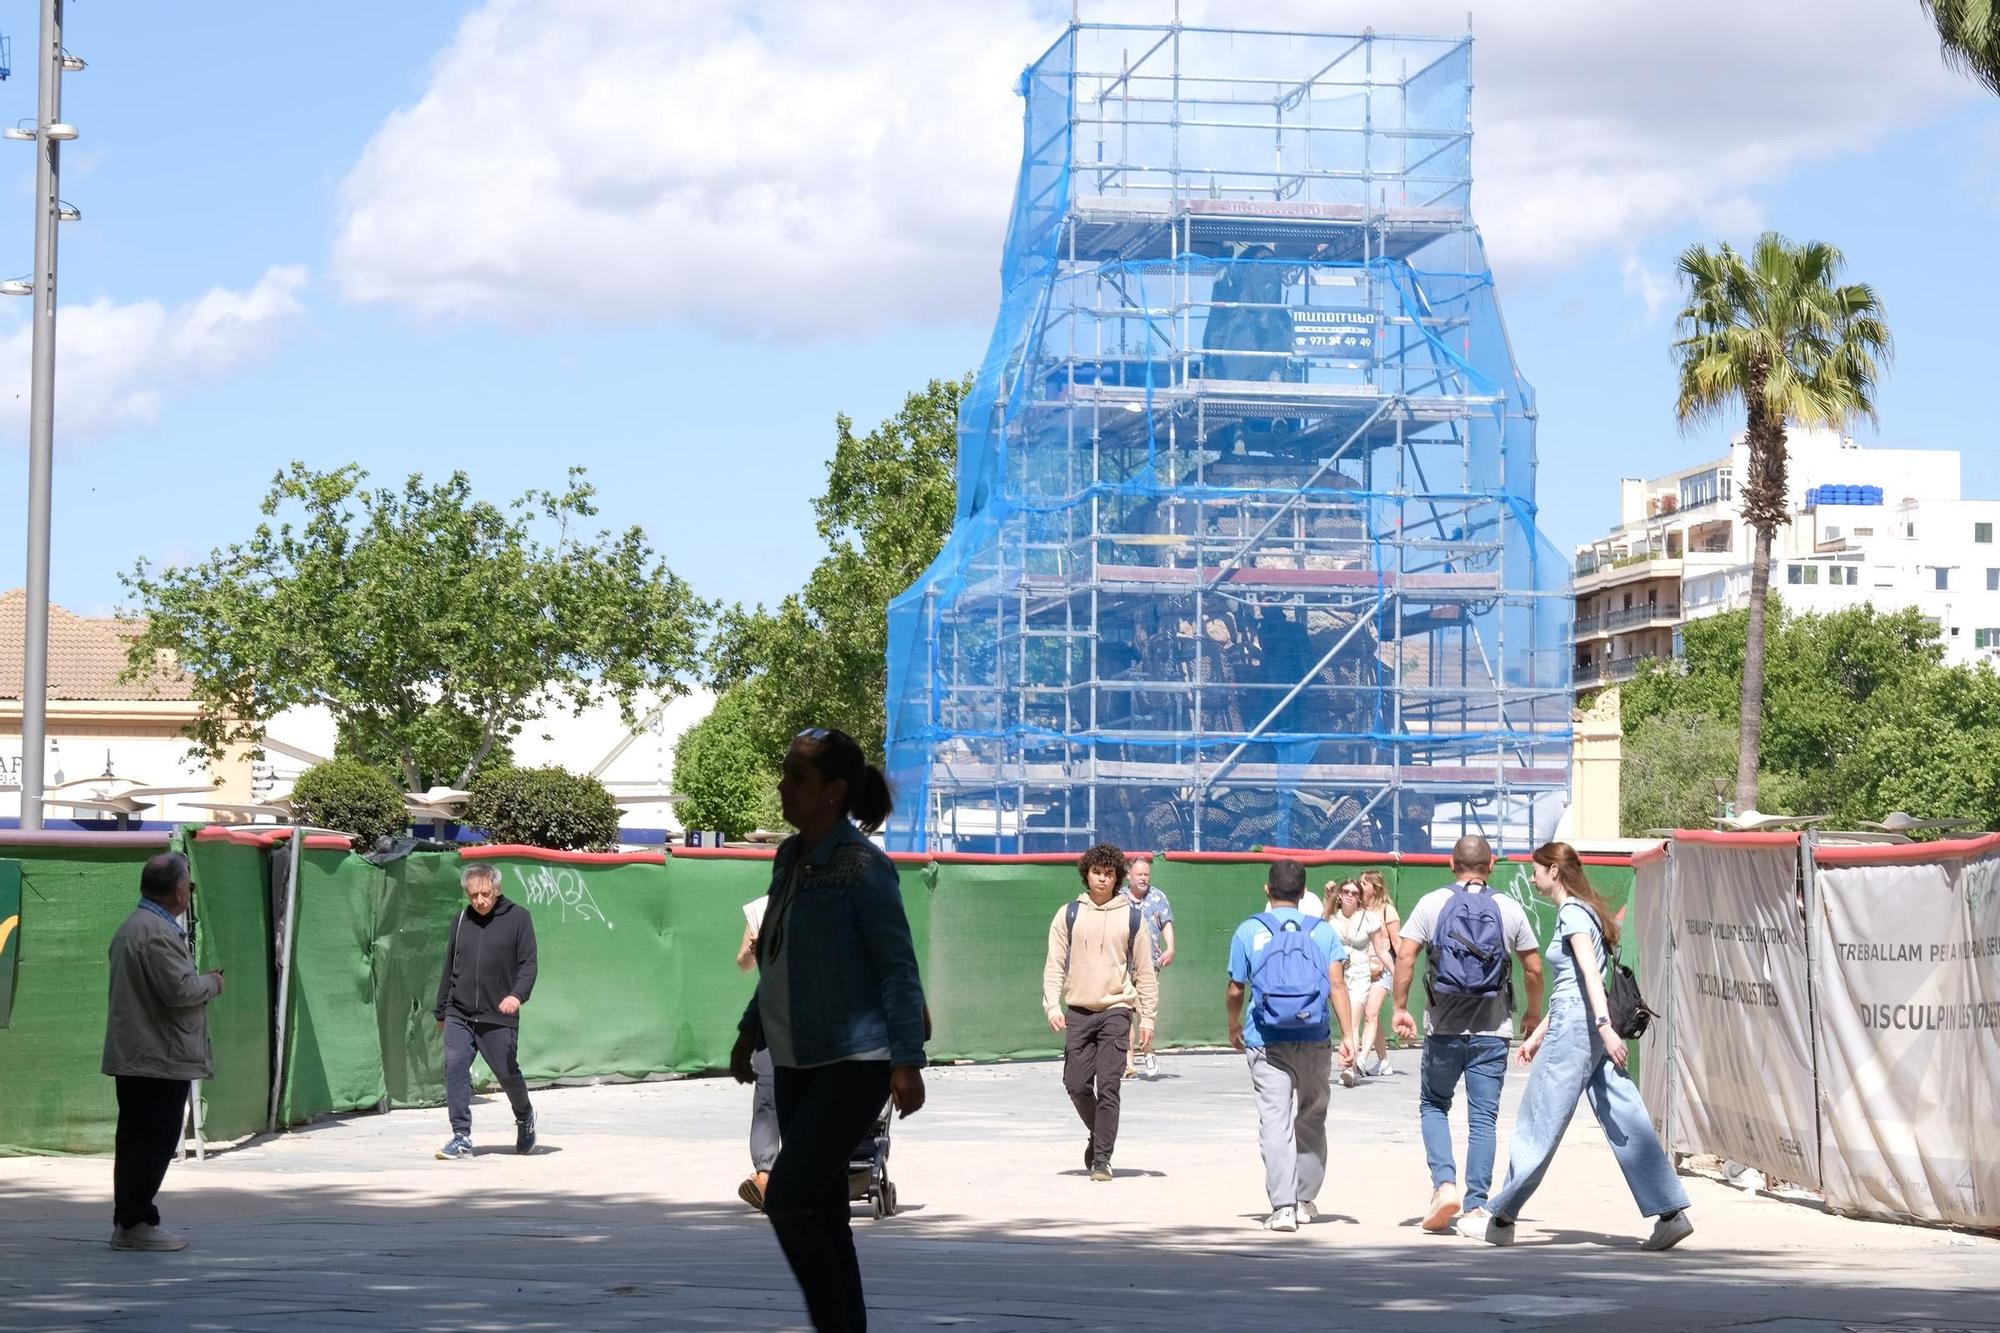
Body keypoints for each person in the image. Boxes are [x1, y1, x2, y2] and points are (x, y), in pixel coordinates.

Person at [730, 727, 927, 1333]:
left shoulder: (865, 868)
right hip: (792, 1060)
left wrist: (906, 1059)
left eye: (798, 776)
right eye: (786, 772)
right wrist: (748, 1029)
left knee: (786, 1197)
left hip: (853, 1059)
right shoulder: (789, 858)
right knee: (822, 1210)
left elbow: (897, 967)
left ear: (835, 791)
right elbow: (777, 954)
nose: (784, 785)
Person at [1478, 842, 1692, 1250]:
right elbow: (1572, 985)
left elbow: (1591, 977)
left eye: (1537, 869)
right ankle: (1669, 1212)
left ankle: (1502, 1215)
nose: (1534, 876)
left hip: (1583, 1025)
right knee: (1625, 1115)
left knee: (1542, 1114)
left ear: (1553, 872)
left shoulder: (1572, 914)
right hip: (1584, 1023)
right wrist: (1541, 1034)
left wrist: (1602, 1026)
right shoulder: (1586, 911)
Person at [1392, 834, 1543, 1234]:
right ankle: (1477, 1206)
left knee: (1433, 1105)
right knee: (1483, 1119)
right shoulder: (1509, 907)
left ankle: (1444, 1184)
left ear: (1451, 864)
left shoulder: (1431, 903)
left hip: (1443, 1027)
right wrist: (1532, 1011)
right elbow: (1533, 968)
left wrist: (1400, 1008)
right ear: (1491, 865)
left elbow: (1406, 955)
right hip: (1493, 1031)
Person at [101, 852, 225, 1251]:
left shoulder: (135, 927)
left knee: (137, 1140)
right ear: (177, 891)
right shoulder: (155, 931)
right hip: (157, 1057)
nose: (189, 892)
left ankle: (131, 1219)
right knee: (152, 1141)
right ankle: (136, 1222)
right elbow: (180, 991)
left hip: (143, 1055)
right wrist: (211, 983)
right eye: (189, 885)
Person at [1227, 860, 1355, 1232]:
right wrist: (1349, 1035)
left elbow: (1236, 988)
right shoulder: (1323, 932)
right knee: (1312, 1115)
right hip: (1314, 1037)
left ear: (1267, 890)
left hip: (1265, 1039)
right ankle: (1304, 1199)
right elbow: (1337, 986)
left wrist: (1233, 1025)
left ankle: (1282, 1207)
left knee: (1275, 1120)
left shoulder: (1249, 930)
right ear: (1303, 894)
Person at [1042, 842, 1158, 1181]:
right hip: (1078, 1009)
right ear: (1086, 875)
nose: (1103, 880)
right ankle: (1099, 1134)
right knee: (1076, 1083)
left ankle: (1102, 1159)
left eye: (1109, 874)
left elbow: (1145, 973)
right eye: (1097, 873)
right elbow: (1054, 964)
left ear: (1118, 877)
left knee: (1109, 1084)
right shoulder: (1069, 914)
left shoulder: (1133, 917)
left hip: (1117, 1010)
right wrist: (1052, 1004)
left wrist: (1147, 1017)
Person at [432, 863, 539, 1160]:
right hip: (460, 1011)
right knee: (454, 1067)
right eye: (473, 895)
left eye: (486, 894)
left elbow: (529, 964)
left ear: (497, 889)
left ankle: (524, 1114)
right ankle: (461, 1136)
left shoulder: (519, 918)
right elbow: (449, 967)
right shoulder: (461, 919)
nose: (480, 901)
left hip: (497, 1014)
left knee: (506, 1073)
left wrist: (517, 995)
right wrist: (442, 1010)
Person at [735, 894, 779, 1211]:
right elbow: (743, 963)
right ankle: (764, 1175)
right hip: (772, 1017)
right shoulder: (762, 909)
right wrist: (753, 951)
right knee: (767, 1094)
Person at [1325, 879, 1390, 1088]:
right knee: (1342, 1022)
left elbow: (1381, 949)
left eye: (1354, 892)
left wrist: (1396, 971)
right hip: (1336, 975)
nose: (1350, 895)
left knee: (1352, 1022)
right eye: (1345, 891)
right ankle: (1349, 1062)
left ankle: (1349, 1068)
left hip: (1360, 972)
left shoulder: (1369, 918)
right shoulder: (1331, 919)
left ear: (1360, 897)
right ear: (1340, 895)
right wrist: (1328, 898)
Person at [1124, 852, 1174, 1078]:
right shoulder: (1118, 899)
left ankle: (1148, 1052)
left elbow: (1166, 924)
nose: (1143, 878)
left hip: (1149, 963)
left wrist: (1170, 947)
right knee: (1123, 1012)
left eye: (1146, 874)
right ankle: (1128, 1063)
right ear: (1128, 876)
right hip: (1123, 964)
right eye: (1139, 874)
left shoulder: (1158, 897)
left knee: (1145, 1011)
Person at [1357, 870, 1402, 1076]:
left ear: (1375, 888)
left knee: (1371, 1014)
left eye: (1364, 884)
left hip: (1382, 970)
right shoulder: (1357, 910)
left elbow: (1397, 943)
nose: (1360, 887)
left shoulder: (1387, 911)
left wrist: (1400, 974)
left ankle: (1362, 1059)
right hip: (1360, 970)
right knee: (1370, 1018)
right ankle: (1384, 1060)